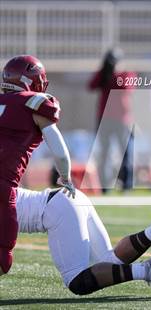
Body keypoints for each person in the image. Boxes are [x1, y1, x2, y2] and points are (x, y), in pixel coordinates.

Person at [16, 187, 151, 299]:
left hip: (57, 209)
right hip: (71, 196)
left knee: (77, 280)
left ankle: (144, 270)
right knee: (107, 261)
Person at [0, 55, 75, 277]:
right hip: (2, 188)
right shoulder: (35, 103)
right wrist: (65, 176)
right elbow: (59, 150)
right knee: (2, 259)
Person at [88, 48, 135, 193]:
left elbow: (125, 86)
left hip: (122, 119)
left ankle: (126, 185)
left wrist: (114, 73)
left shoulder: (126, 74)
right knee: (104, 153)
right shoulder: (103, 75)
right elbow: (91, 85)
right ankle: (105, 185)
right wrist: (104, 72)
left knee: (126, 153)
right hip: (105, 119)